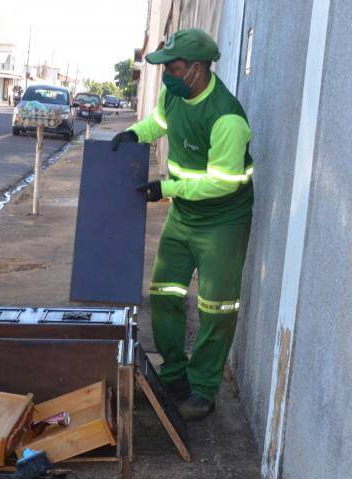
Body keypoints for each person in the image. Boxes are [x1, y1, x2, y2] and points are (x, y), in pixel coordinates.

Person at [112, 28, 255, 422]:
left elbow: (220, 183)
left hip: (222, 220)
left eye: (172, 69)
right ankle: (174, 376)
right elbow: (159, 122)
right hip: (184, 215)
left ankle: (204, 389)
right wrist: (133, 134)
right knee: (164, 293)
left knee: (216, 308)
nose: (166, 76)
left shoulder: (227, 118)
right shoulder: (174, 95)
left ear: (195, 69)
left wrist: (167, 188)